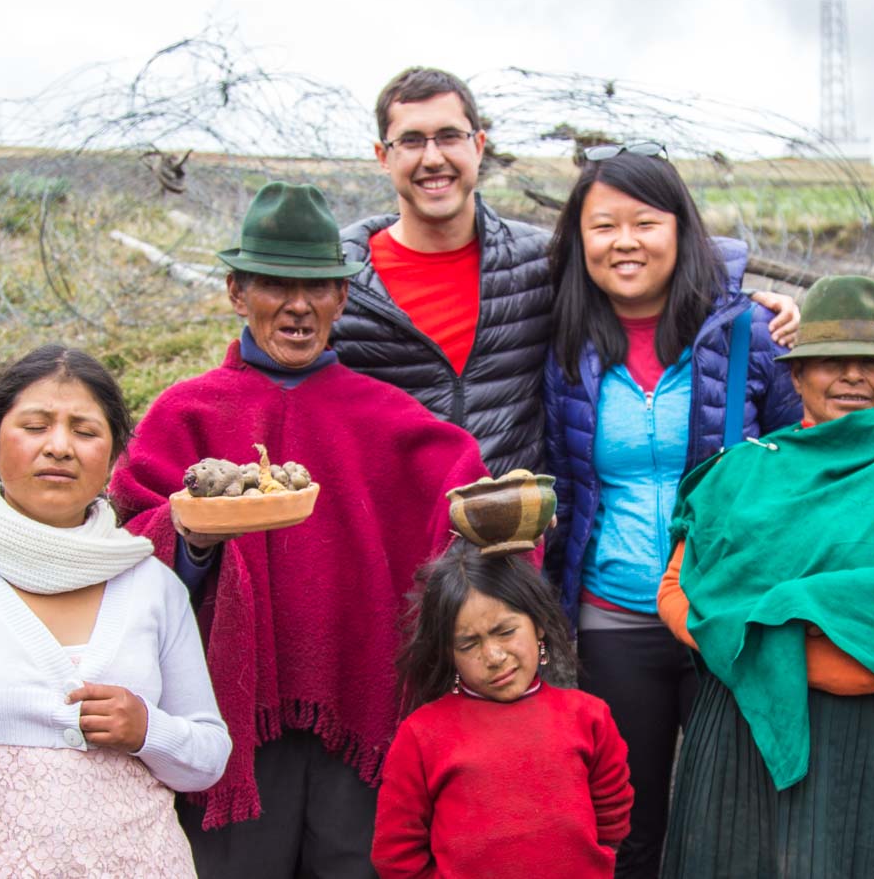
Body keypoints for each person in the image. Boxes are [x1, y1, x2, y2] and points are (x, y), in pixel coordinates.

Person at [110, 182, 491, 878]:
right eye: (274, 286)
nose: (298, 306)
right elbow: (129, 542)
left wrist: (498, 532)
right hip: (226, 721)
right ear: (235, 291)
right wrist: (191, 537)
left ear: (342, 299)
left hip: (357, 713)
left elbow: (465, 505)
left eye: (317, 287)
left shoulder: (388, 419)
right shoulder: (184, 414)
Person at [656, 275, 874, 877]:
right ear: (796, 375)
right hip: (744, 729)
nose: (853, 376)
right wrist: (775, 650)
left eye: (872, 363)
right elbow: (677, 591)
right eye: (831, 361)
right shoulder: (743, 473)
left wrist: (797, 606)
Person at [0, 345, 230, 877]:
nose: (59, 447)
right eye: (34, 426)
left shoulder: (152, 586)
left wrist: (148, 730)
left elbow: (208, 759)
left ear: (113, 454)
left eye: (84, 431)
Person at [540, 145, 802, 878]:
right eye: (604, 226)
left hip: (728, 619)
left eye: (645, 222)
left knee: (744, 819)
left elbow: (802, 463)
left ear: (682, 230)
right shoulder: (565, 343)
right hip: (612, 620)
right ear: (580, 241)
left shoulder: (749, 331)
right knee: (626, 826)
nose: (625, 242)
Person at [333, 67, 801, 474]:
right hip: (389, 545)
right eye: (411, 141)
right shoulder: (342, 284)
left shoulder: (537, 262)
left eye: (449, 137)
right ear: (382, 155)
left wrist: (744, 299)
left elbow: (640, 263)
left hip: (510, 557)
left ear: (478, 145)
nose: (432, 157)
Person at [372, 541, 634, 879]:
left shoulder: (589, 717)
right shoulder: (421, 736)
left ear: (538, 623)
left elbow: (612, 816)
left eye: (505, 632)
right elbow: (396, 853)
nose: (493, 657)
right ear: (448, 652)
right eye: (469, 643)